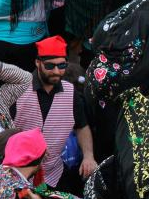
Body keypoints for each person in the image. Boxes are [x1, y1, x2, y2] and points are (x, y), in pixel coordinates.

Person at [13, 35, 97, 189]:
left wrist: (88, 156)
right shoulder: (19, 90)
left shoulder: (70, 92)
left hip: (54, 174)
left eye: (62, 65)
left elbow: (81, 126)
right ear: (37, 63)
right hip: (19, 175)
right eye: (50, 66)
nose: (57, 71)